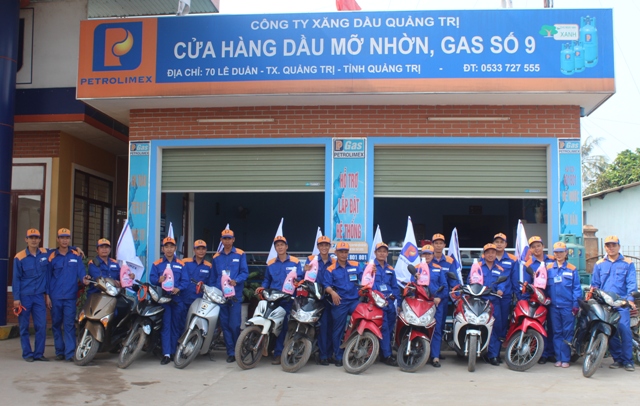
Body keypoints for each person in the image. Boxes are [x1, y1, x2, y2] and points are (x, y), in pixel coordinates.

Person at [591, 235, 638, 372]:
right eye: (608, 245)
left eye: (613, 245)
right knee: (610, 331)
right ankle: (617, 359)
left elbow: (631, 284)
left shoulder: (628, 263)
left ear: (619, 246)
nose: (611, 248)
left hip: (621, 303)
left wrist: (630, 299)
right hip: (605, 304)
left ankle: (628, 361)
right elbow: (595, 284)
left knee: (624, 329)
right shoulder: (599, 264)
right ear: (605, 247)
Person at [255, 235, 303, 365]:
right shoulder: (271, 263)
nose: (280, 247)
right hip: (273, 298)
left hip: (288, 299)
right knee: (267, 322)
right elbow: (267, 280)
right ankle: (264, 348)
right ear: (275, 248)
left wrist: (298, 281)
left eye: (282, 245)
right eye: (277, 245)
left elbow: (300, 277)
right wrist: (262, 288)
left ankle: (278, 353)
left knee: (283, 326)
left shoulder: (295, 261)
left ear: (286, 247)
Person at [47, 228, 86, 362]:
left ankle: (69, 354)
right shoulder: (52, 256)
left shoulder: (76, 256)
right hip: (55, 297)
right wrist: (47, 295)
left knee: (69, 325)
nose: (64, 240)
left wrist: (85, 279)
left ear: (69, 239)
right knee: (56, 324)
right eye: (62, 238)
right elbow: (47, 277)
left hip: (70, 297)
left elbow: (81, 272)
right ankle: (59, 352)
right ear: (57, 239)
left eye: (67, 238)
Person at [13, 229, 51, 362]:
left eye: (36, 238)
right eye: (31, 237)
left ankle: (39, 354)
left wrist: (75, 249)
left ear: (40, 240)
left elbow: (61, 249)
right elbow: (16, 279)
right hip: (24, 296)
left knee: (41, 325)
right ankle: (27, 354)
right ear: (26, 239)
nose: (34, 240)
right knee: (24, 327)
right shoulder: (19, 257)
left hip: (39, 296)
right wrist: (16, 298)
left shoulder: (45, 253)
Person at [150, 237, 189, 365]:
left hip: (177, 299)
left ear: (175, 248)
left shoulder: (181, 264)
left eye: (171, 246)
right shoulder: (157, 264)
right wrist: (158, 280)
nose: (169, 249)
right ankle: (166, 354)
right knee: (166, 325)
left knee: (176, 326)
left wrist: (179, 288)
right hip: (163, 299)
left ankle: (174, 351)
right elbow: (152, 278)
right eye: (166, 247)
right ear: (163, 249)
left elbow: (185, 281)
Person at [212, 229, 249, 363]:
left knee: (234, 324)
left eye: (229, 238)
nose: (227, 241)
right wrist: (214, 292)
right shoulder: (216, 257)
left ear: (233, 240)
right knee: (225, 325)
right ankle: (231, 352)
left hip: (235, 295)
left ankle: (238, 349)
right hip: (221, 296)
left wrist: (236, 280)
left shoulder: (240, 254)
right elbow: (213, 277)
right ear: (221, 240)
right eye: (224, 238)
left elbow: (245, 272)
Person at [324, 241, 362, 367]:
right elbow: (326, 285)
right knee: (338, 330)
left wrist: (371, 271)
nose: (343, 254)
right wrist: (332, 293)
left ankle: (358, 349)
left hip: (354, 301)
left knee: (363, 319)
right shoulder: (331, 269)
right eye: (341, 252)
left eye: (346, 252)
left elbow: (365, 278)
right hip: (340, 302)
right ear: (336, 253)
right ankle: (338, 356)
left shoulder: (356, 265)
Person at [545, 241, 582, 368]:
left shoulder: (572, 269)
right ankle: (558, 358)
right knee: (557, 332)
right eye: (556, 252)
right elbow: (544, 285)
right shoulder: (549, 268)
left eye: (561, 252)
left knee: (567, 332)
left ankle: (565, 358)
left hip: (568, 306)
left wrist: (575, 305)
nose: (559, 254)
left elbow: (577, 288)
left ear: (566, 253)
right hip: (553, 306)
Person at [471, 243, 508, 366]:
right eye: (488, 252)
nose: (491, 255)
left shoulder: (500, 268)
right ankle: (482, 352)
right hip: (480, 301)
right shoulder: (477, 266)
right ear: (484, 254)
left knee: (496, 328)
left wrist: (500, 289)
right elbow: (471, 280)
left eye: (493, 252)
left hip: (495, 301)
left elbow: (502, 283)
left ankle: (494, 355)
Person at [524, 236, 556, 365]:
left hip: (553, 298)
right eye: (533, 247)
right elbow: (526, 284)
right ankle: (542, 353)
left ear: (543, 246)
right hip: (537, 300)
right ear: (530, 250)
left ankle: (552, 352)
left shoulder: (553, 260)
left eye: (538, 246)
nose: (536, 249)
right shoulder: (528, 264)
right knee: (539, 326)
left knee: (553, 326)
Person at [304, 235, 335, 365]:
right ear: (318, 247)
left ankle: (329, 354)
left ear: (329, 247)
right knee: (321, 327)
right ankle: (322, 355)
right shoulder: (311, 259)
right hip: (314, 298)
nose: (324, 247)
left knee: (329, 327)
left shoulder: (334, 261)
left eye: (326, 245)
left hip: (328, 298)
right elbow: (304, 276)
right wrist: (304, 270)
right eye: (321, 245)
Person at [431, 233, 461, 361]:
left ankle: (435, 353)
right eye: (436, 243)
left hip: (442, 299)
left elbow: (454, 281)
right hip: (428, 299)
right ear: (432, 245)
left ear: (444, 245)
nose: (438, 245)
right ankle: (429, 353)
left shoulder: (450, 261)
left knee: (439, 326)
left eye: (440, 243)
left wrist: (458, 296)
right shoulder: (427, 259)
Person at [417, 244, 447, 368]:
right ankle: (419, 354)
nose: (427, 256)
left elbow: (444, 286)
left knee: (436, 329)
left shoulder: (438, 268)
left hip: (436, 303)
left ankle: (435, 356)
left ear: (433, 255)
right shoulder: (417, 268)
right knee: (419, 327)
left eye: (429, 254)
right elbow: (411, 286)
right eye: (424, 254)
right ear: (421, 255)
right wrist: (415, 279)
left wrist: (439, 297)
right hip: (421, 303)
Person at [372, 242, 400, 367]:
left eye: (384, 251)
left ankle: (383, 353)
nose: (382, 253)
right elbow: (366, 283)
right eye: (379, 251)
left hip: (389, 303)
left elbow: (395, 287)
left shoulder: (390, 269)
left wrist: (396, 300)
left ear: (387, 253)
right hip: (377, 303)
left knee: (389, 329)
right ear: (375, 253)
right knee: (383, 328)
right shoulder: (370, 267)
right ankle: (387, 355)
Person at [493, 232, 518, 363]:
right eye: (496, 242)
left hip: (505, 297)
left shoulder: (513, 259)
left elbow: (515, 279)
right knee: (490, 323)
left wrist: (519, 297)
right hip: (489, 297)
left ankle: (496, 353)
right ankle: (490, 353)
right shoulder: (487, 256)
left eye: (501, 242)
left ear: (506, 244)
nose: (499, 244)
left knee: (502, 325)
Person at [181, 239, 214, 328]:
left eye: (203, 249)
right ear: (194, 250)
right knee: (182, 324)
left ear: (206, 250)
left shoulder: (209, 266)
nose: (201, 251)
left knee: (195, 326)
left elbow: (210, 284)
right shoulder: (185, 262)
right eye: (198, 249)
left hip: (199, 301)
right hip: (184, 299)